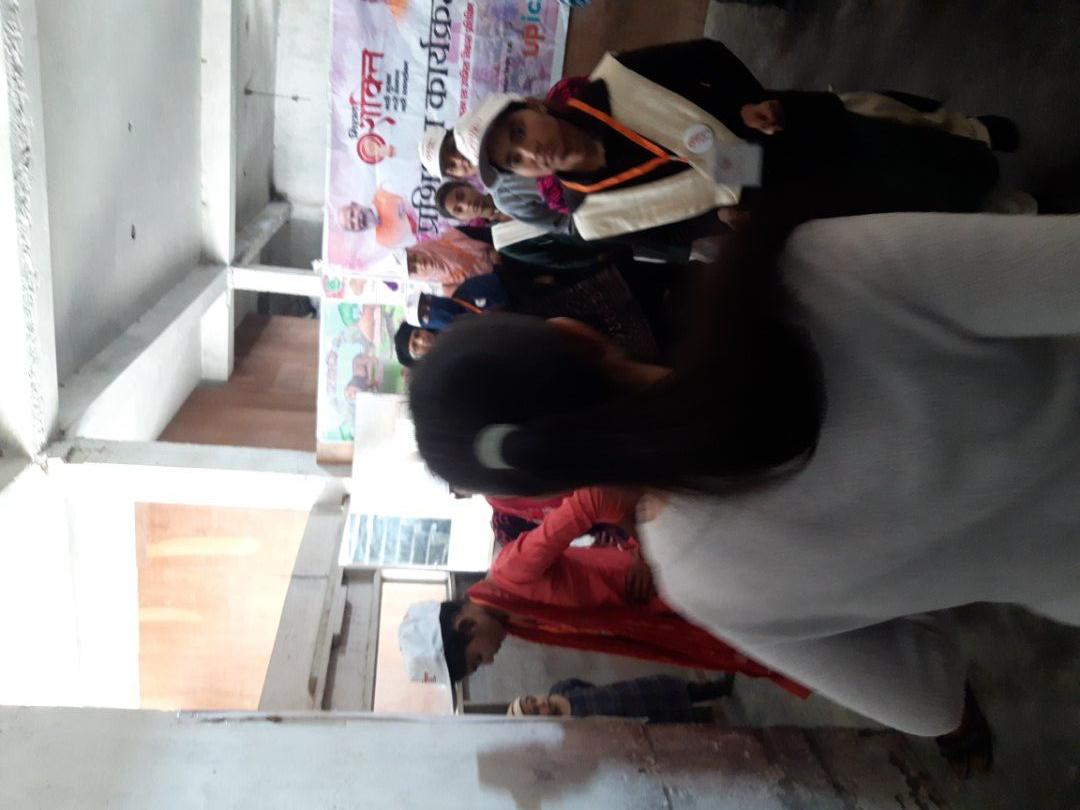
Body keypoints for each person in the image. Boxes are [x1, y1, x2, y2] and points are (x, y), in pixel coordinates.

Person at [405, 212, 1080, 771]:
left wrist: (911, 566)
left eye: (472, 657)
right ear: (573, 334)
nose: (486, 659)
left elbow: (928, 703)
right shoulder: (806, 273)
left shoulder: (701, 581)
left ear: (550, 479)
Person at [455, 40, 1009, 256]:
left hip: (774, 129)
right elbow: (670, 242)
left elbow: (706, 55)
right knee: (884, 198)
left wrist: (746, 101)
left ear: (534, 106)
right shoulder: (593, 219)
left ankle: (967, 131)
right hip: (768, 193)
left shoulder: (618, 78)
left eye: (519, 132)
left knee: (881, 126)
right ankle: (990, 206)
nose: (531, 153)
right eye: (515, 161)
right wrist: (720, 224)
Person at [398, 486, 808, 696]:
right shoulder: (517, 617)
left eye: (477, 659)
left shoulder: (512, 572)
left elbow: (594, 499)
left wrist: (644, 552)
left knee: (796, 601)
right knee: (794, 628)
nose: (489, 660)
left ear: (466, 625)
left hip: (682, 578)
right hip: (674, 609)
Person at [508, 674, 734, 723]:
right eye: (536, 711)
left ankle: (720, 688)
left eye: (533, 700)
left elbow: (588, 685)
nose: (540, 703)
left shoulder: (560, 688)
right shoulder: (569, 728)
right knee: (678, 717)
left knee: (675, 690)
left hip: (629, 692)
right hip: (637, 717)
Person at [393, 228, 499, 287]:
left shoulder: (452, 235)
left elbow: (494, 233)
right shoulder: (450, 286)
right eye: (414, 269)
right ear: (417, 277)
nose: (419, 264)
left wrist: (494, 250)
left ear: (416, 249)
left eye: (414, 258)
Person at [405, 274, 508, 332]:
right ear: (426, 327)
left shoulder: (469, 288)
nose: (431, 308)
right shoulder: (457, 346)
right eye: (425, 315)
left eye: (427, 300)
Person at [435, 180, 510, 225]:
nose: (466, 205)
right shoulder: (500, 239)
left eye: (461, 195)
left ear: (468, 186)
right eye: (459, 210)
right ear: (462, 219)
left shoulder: (507, 185)